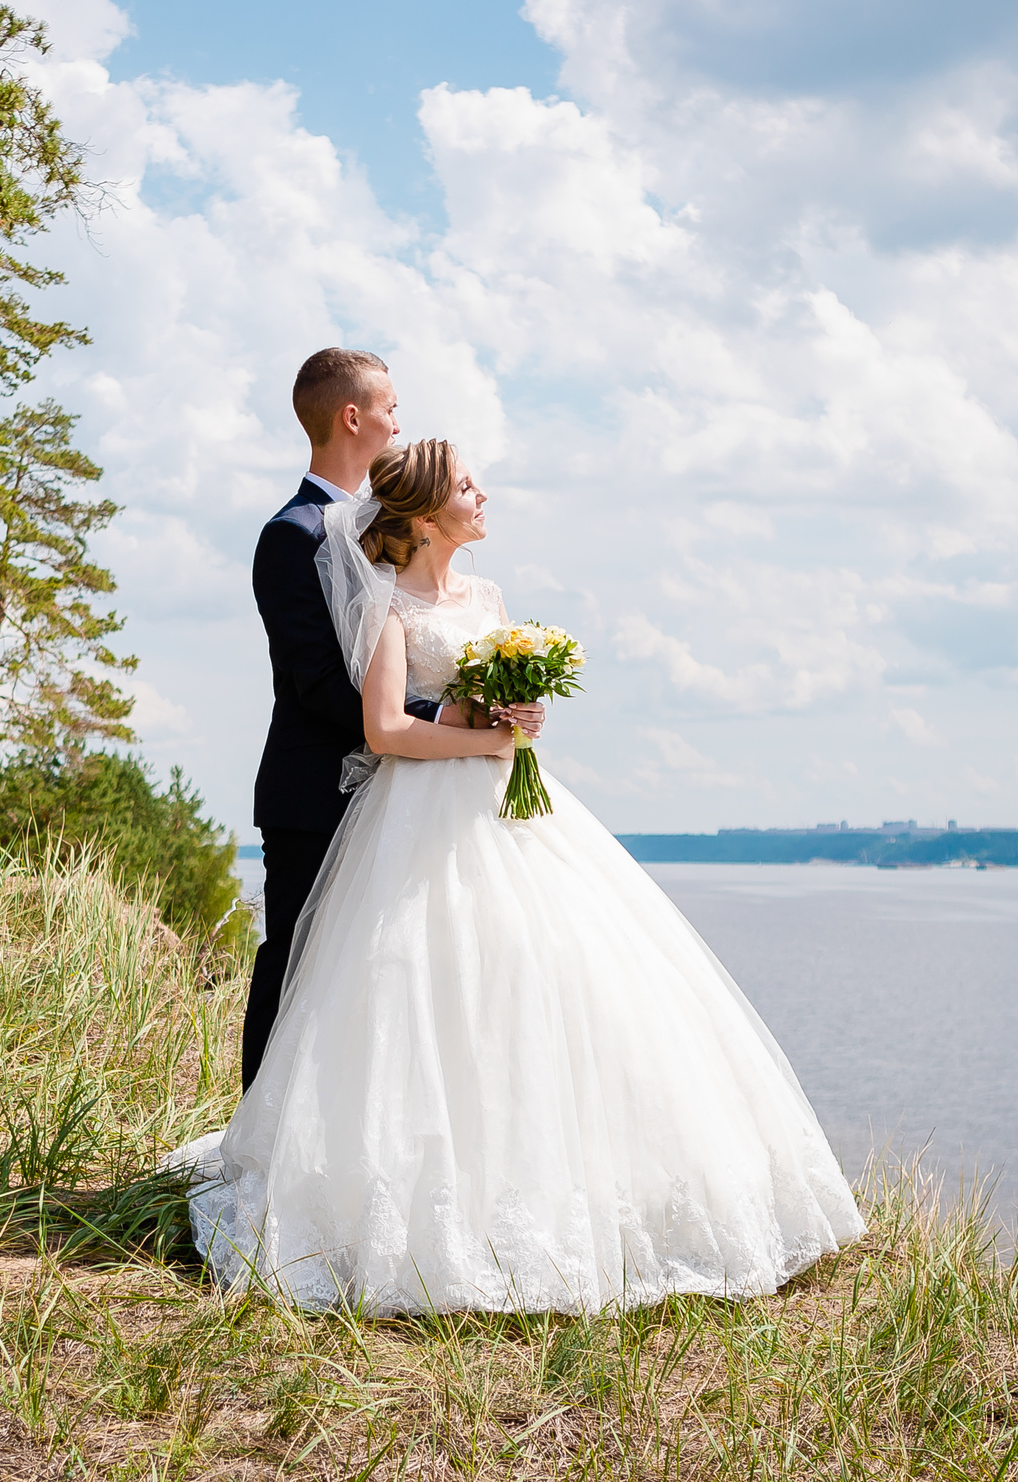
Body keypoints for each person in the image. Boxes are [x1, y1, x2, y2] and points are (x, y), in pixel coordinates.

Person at [187, 438, 866, 1314]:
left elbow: (496, 713)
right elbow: (386, 728)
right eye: (468, 486)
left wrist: (522, 716)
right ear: (430, 516)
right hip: (423, 814)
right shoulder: (389, 607)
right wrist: (484, 736)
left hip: (514, 810)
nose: (484, 495)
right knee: (420, 986)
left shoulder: (491, 600)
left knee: (545, 972)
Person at [244, 349, 544, 1089]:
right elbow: (315, 681)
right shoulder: (296, 532)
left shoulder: (390, 524)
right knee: (297, 960)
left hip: (422, 798)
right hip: (319, 792)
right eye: (391, 407)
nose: (399, 420)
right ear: (355, 416)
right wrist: (446, 713)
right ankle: (257, 1140)